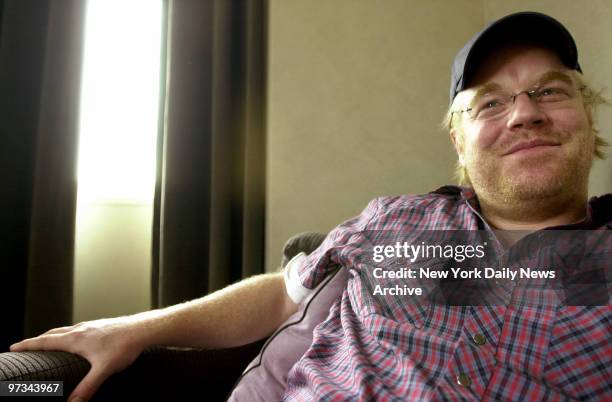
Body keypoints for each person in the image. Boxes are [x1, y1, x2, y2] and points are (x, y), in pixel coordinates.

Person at [11, 11, 611, 402]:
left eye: (550, 92)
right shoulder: (394, 222)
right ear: (459, 138)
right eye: (490, 103)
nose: (525, 113)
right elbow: (281, 294)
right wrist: (134, 326)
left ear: (588, 116)